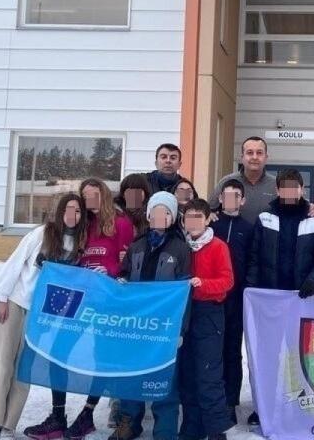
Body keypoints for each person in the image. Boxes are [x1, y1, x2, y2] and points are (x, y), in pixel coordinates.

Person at [0, 193, 85, 440]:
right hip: (16, 303)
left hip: (41, 316)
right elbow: (15, 263)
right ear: (60, 211)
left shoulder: (78, 244)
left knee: (22, 370)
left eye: (78, 211)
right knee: (1, 364)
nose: (73, 215)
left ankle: (7, 425)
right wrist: (2, 298)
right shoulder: (41, 234)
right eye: (68, 209)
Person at [40, 178, 136, 439]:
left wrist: (112, 273)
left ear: (104, 195)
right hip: (78, 299)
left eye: (95, 194)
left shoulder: (121, 223)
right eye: (86, 196)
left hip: (106, 300)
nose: (90, 199)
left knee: (100, 358)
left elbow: (129, 263)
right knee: (59, 351)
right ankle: (57, 413)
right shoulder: (83, 224)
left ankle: (87, 414)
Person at [246, 168, 314, 427]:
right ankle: (263, 405)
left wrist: (313, 280)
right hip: (269, 301)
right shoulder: (265, 218)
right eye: (286, 187)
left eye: (295, 186)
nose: (291, 191)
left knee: (302, 356)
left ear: (302, 189)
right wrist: (252, 291)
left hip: (302, 301)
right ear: (279, 190)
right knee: (268, 355)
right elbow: (254, 258)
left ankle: (301, 405)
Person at [113, 192, 193, 440]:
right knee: (131, 376)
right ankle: (128, 423)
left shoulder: (181, 249)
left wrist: (181, 329)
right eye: (156, 212)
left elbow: (185, 291)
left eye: (166, 212)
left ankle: (165, 431)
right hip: (136, 325)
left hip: (165, 326)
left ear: (172, 217)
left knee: (164, 380)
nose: (160, 216)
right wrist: (121, 282)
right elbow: (124, 276)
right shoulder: (137, 246)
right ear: (148, 216)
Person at [178, 199, 234, 440]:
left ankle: (215, 429)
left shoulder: (218, 246)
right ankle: (192, 426)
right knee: (187, 372)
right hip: (183, 314)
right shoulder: (180, 246)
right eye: (189, 217)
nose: (193, 222)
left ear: (208, 218)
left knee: (208, 373)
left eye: (198, 217)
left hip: (209, 313)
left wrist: (204, 285)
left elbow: (227, 281)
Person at [209, 179, 253, 422]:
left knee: (232, 351)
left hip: (236, 298)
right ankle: (209, 399)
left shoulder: (248, 228)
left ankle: (229, 402)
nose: (231, 200)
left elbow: (253, 261)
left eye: (236, 195)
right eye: (227, 195)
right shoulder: (210, 224)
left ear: (243, 200)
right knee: (209, 351)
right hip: (209, 298)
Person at [209, 137, 314, 224]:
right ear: (242, 157)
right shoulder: (226, 182)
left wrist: (309, 207)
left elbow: (295, 205)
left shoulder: (276, 185)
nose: (255, 157)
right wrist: (209, 214)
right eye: (250, 152)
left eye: (259, 153)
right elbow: (209, 210)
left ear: (266, 157)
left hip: (266, 248)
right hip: (233, 246)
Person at [115, 172, 154, 237]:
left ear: (145, 193)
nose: (134, 194)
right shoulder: (113, 213)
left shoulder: (151, 213)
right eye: (130, 191)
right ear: (123, 194)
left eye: (138, 191)